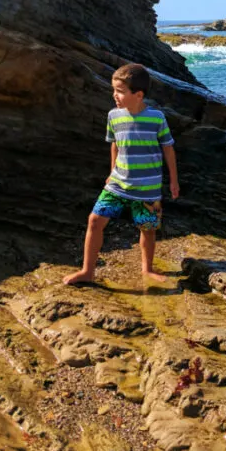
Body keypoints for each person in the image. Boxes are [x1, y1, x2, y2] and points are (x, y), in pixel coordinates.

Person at [63, 63, 179, 285]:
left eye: (120, 91)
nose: (114, 95)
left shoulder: (156, 118)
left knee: (148, 229)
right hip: (117, 183)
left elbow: (168, 147)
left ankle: (147, 269)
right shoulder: (114, 116)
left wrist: (173, 180)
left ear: (138, 95)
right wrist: (111, 171)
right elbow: (115, 144)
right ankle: (87, 271)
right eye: (113, 90)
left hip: (148, 186)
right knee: (95, 220)